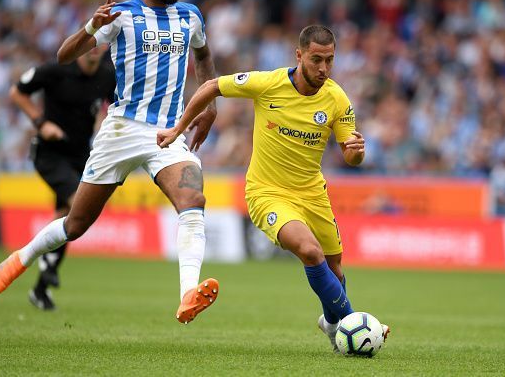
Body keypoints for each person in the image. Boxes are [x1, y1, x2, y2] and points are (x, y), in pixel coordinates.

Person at [0, 0, 219, 324]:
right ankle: (21, 258)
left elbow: (204, 55)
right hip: (122, 130)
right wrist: (92, 25)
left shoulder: (191, 16)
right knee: (76, 224)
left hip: (168, 131)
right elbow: (64, 56)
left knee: (193, 201)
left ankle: (187, 294)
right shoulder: (122, 16)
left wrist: (209, 102)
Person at [157, 25, 390, 349]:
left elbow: (351, 155)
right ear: (299, 55)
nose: (323, 68)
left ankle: (332, 322)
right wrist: (179, 127)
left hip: (312, 193)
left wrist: (356, 152)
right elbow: (211, 86)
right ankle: (356, 325)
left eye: (330, 61)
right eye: (316, 59)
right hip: (267, 193)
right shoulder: (269, 84)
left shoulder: (336, 98)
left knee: (334, 269)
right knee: (310, 251)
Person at [9, 45, 115, 310]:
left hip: (82, 155)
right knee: (76, 204)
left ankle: (42, 286)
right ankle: (46, 265)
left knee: (67, 217)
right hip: (50, 154)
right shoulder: (55, 70)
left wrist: (102, 119)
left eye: (98, 43)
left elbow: (113, 104)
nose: (93, 49)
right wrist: (41, 122)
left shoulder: (107, 75)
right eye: (88, 44)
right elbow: (17, 92)